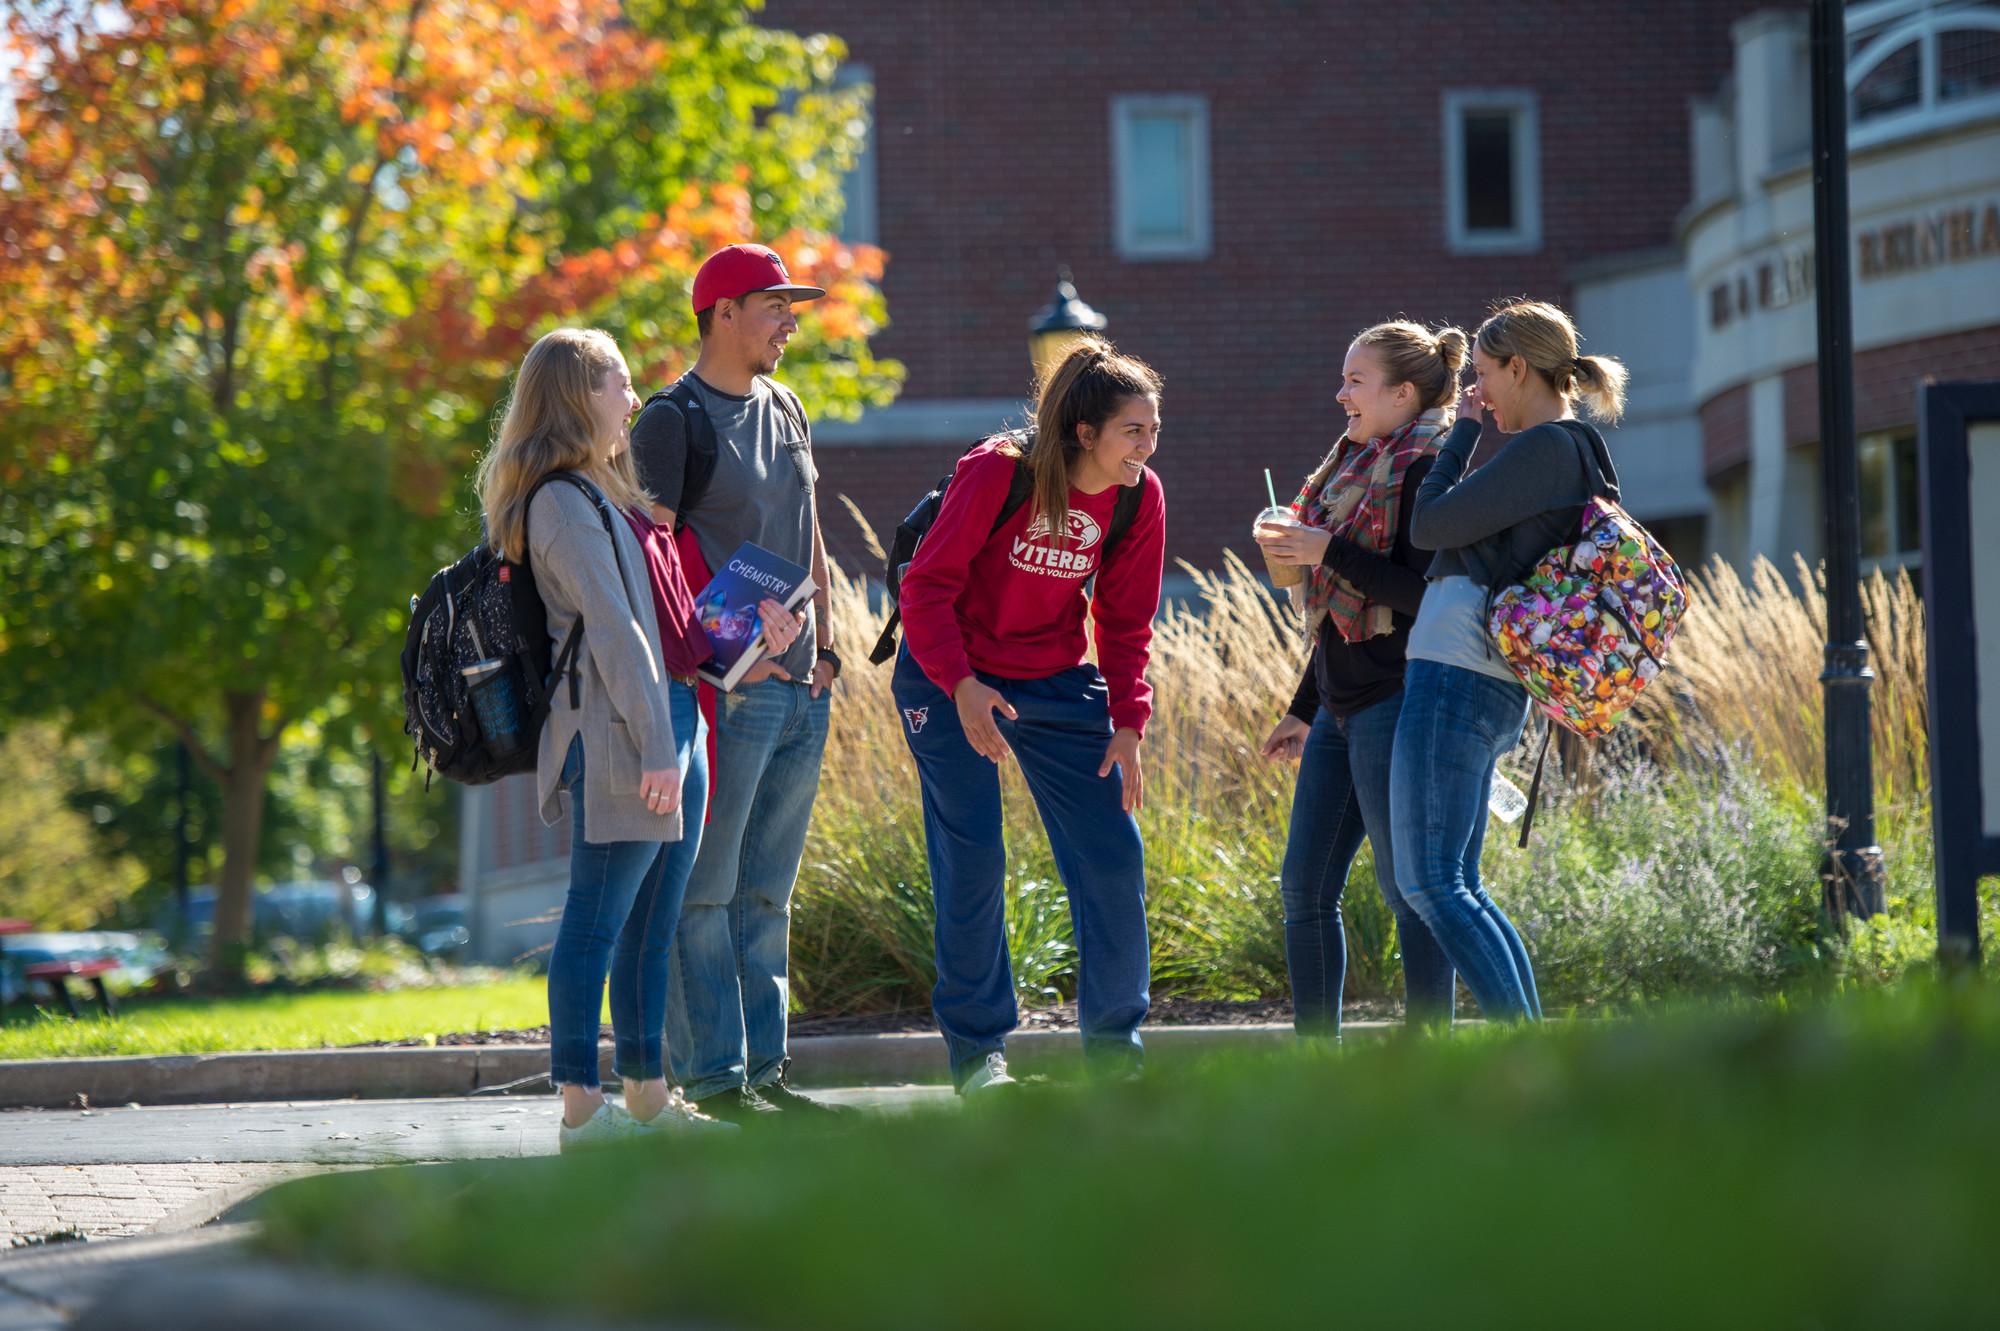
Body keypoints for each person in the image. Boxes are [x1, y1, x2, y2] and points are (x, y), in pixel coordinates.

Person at [477, 327, 773, 1148]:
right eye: (619, 384)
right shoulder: (560, 504)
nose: (634, 400)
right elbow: (612, 631)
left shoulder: (609, 495)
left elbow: (668, 624)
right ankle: (580, 1106)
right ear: (578, 395)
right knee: (596, 920)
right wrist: (653, 746)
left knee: (650, 924)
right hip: (619, 732)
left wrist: (751, 632)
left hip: (672, 716)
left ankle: (645, 1095)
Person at [892, 337, 1167, 1094]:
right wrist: (961, 684)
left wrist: (1128, 720)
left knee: (1113, 855)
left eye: (1153, 429)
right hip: (953, 674)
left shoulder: (1139, 495)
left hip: (1052, 678)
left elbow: (1125, 620)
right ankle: (980, 1057)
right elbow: (925, 590)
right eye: (1132, 431)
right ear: (1086, 433)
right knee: (974, 858)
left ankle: (1117, 1056)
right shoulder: (997, 473)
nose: (1147, 445)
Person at [628, 242, 841, 1123]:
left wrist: (827, 649)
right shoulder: (671, 422)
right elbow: (651, 563)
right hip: (728, 693)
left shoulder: (787, 405)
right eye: (775, 306)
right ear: (722, 313)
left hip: (802, 689)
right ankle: (714, 1078)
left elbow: (811, 528)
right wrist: (736, 639)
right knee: (707, 889)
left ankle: (767, 1074)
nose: (791, 320)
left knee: (767, 891)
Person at [1395, 299, 1627, 1022]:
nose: (1480, 393)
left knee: (1432, 883)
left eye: (1487, 376)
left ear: (1519, 367)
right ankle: (1534, 1046)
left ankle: (1529, 1053)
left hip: (1460, 672)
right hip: (1483, 676)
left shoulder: (1548, 447)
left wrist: (1460, 433)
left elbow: (1428, 526)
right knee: (1454, 881)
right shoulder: (1575, 450)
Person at [1253, 322, 1465, 1035]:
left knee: (1411, 889)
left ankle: (1429, 1049)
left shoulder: (1428, 467)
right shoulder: (1349, 465)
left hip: (1397, 702)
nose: (1339, 393)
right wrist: (1302, 708)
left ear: (1403, 393)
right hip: (1338, 708)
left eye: (1355, 380)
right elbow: (1339, 617)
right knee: (1304, 889)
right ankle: (1318, 1061)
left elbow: (1422, 593)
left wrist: (1327, 549)